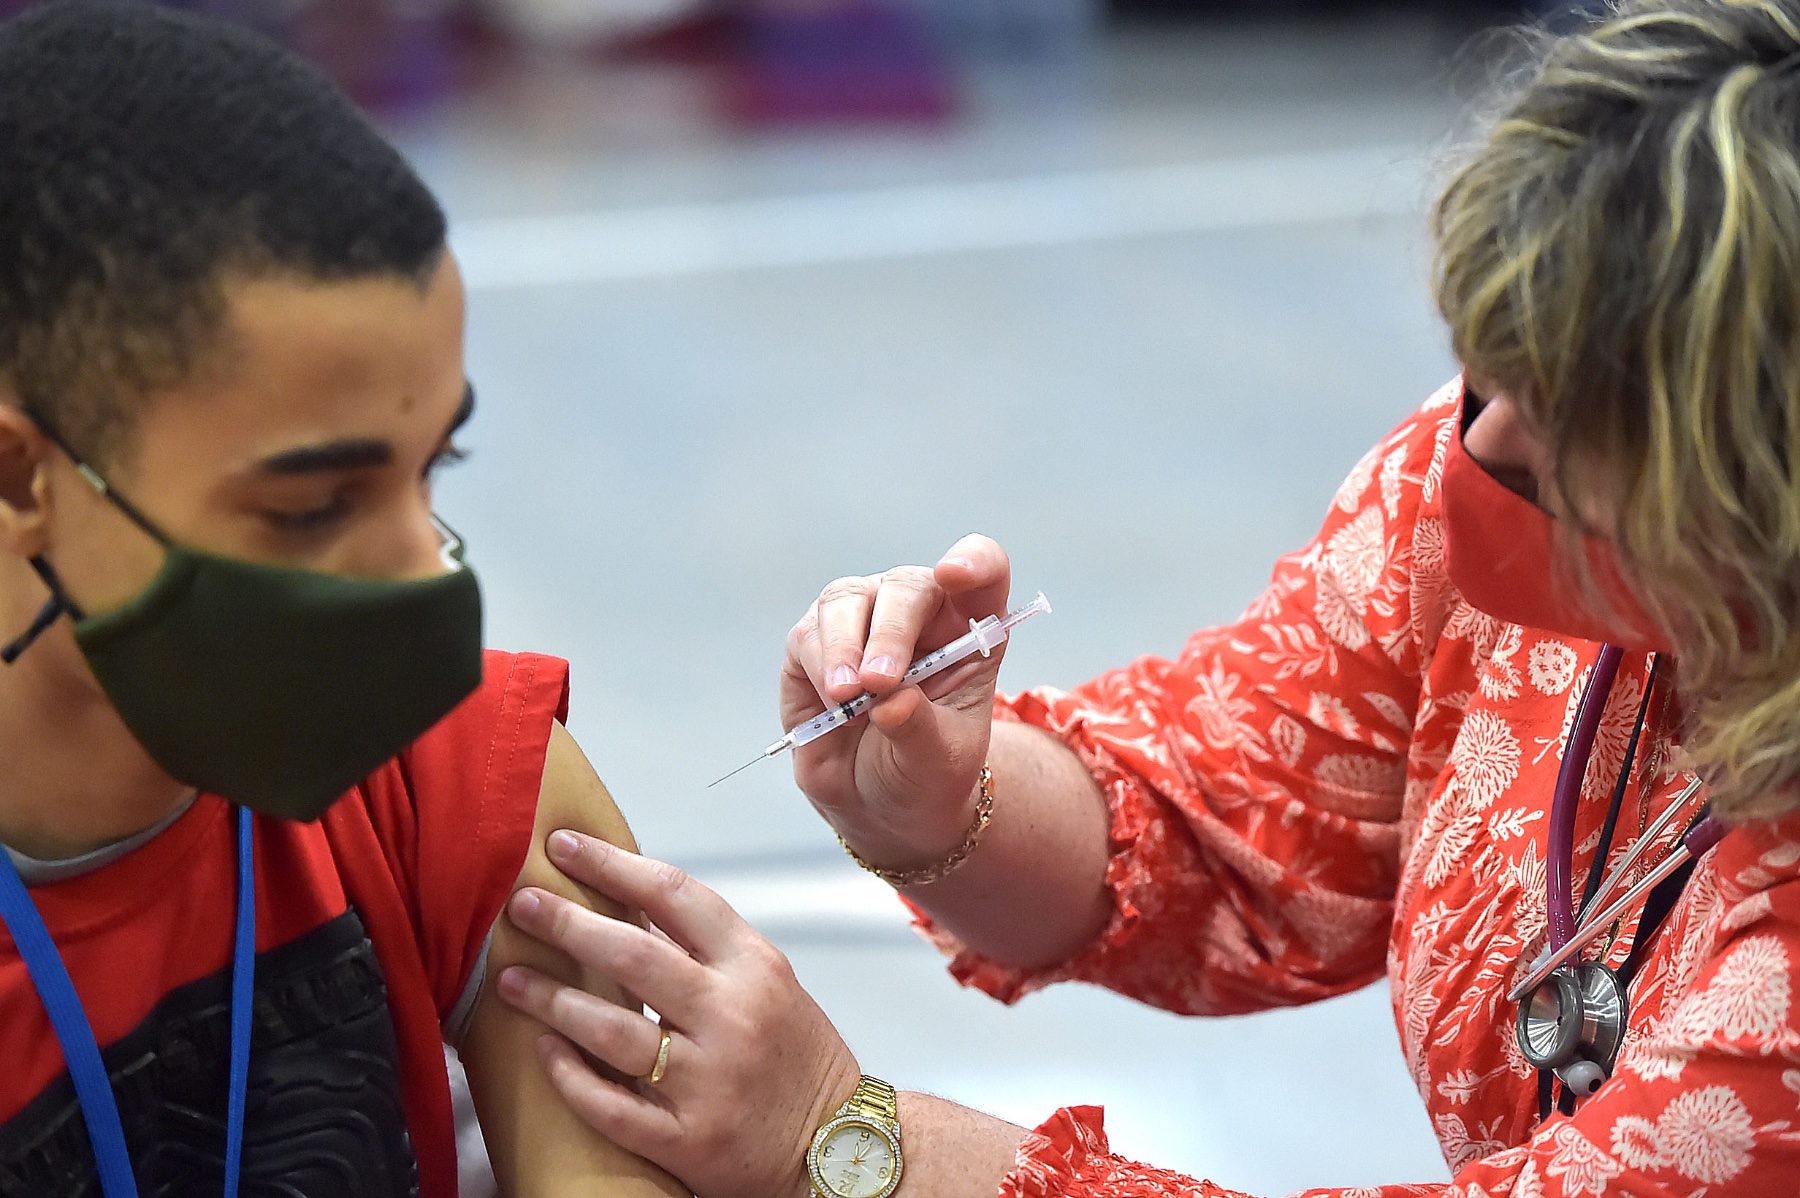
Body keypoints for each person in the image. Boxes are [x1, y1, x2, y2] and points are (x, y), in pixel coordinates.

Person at [497, 1, 1800, 1195]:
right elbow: (1236, 803)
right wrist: (957, 793)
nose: (1479, 438)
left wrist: (846, 1136)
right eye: (1483, 363)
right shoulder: (1491, 470)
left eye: (1567, 415)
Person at [0, 4, 684, 1195]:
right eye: (313, 507)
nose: (425, 574)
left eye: (433, 472)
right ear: (23, 479)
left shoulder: (460, 780)